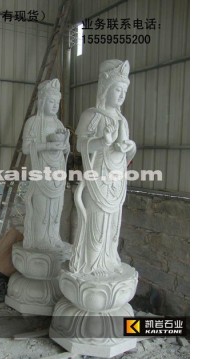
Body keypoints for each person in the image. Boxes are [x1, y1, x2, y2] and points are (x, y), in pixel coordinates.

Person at [70, 60, 136, 276]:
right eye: (117, 90)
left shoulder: (123, 120)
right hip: (97, 176)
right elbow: (80, 145)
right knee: (96, 221)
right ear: (106, 89)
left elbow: (126, 153)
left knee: (114, 223)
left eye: (124, 91)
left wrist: (130, 147)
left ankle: (108, 258)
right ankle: (92, 262)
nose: (121, 95)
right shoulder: (92, 115)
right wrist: (101, 142)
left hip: (116, 177)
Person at [22, 79, 70, 251]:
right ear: (42, 102)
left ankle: (53, 237)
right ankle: (40, 239)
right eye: (51, 101)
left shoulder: (59, 124)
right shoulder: (33, 122)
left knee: (56, 208)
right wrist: (47, 146)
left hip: (57, 171)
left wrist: (65, 143)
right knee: (42, 208)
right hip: (41, 171)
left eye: (57, 102)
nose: (55, 105)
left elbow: (66, 149)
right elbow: (26, 148)